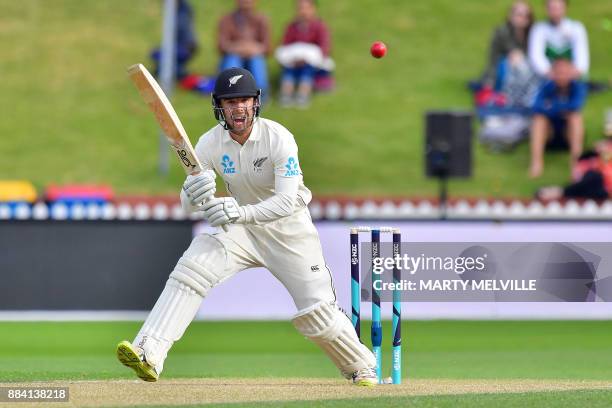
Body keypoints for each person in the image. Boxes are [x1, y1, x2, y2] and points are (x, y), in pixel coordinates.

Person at [115, 68, 378, 386]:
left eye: (243, 100)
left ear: (256, 104)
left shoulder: (278, 138)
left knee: (318, 313)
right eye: (230, 101)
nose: (238, 108)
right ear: (219, 107)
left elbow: (286, 202)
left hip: (289, 232)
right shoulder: (210, 143)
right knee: (196, 263)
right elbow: (188, 204)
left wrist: (238, 212)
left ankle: (361, 366)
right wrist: (193, 192)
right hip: (243, 232)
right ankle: (149, 353)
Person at [529, 58, 587, 178]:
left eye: (565, 73)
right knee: (539, 119)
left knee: (575, 118)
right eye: (559, 73)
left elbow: (575, 105)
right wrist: (561, 110)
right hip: (550, 133)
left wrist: (551, 107)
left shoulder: (578, 87)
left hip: (567, 134)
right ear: (553, 74)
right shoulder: (546, 87)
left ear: (571, 73)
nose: (562, 77)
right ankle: (536, 163)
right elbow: (536, 106)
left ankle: (576, 165)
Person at [276, 0, 332, 108]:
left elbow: (324, 47)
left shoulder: (320, 26)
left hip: (312, 63)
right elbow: (285, 45)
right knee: (288, 72)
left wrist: (309, 58)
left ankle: (303, 95)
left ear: (313, 9)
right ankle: (286, 95)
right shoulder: (292, 26)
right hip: (293, 62)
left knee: (307, 71)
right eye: (300, 8)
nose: (303, 11)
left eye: (306, 8)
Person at [217, 0, 271, 100]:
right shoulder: (227, 19)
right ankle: (228, 94)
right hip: (234, 55)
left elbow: (267, 47)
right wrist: (239, 47)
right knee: (232, 60)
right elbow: (222, 45)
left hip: (254, 55)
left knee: (256, 61)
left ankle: (261, 95)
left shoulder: (261, 19)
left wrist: (254, 48)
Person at [528, 0, 589, 80]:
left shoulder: (576, 28)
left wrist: (572, 73)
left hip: (572, 76)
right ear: (546, 9)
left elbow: (582, 56)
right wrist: (551, 73)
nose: (555, 12)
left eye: (558, 8)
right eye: (552, 8)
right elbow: (536, 56)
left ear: (566, 8)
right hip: (546, 77)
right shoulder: (539, 29)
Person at [480, 1, 534, 89]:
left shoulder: (534, 33)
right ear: (510, 16)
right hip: (505, 69)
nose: (522, 19)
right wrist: (489, 81)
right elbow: (493, 59)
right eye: (519, 15)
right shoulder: (501, 33)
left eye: (526, 16)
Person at [151, 0, 198, 80]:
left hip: (185, 47)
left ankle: (181, 74)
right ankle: (178, 73)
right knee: (157, 55)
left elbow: (182, 30)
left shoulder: (182, 13)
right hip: (182, 46)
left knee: (158, 55)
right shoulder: (180, 11)